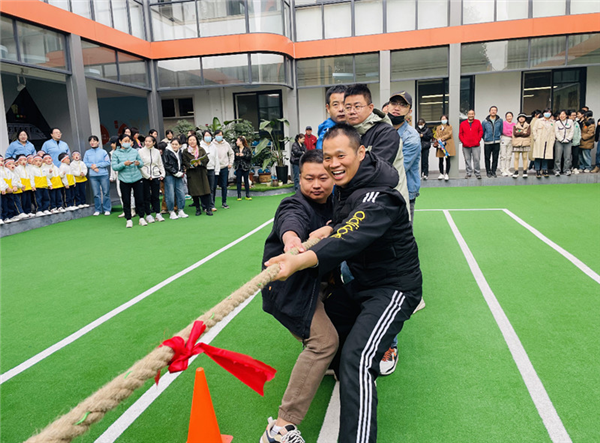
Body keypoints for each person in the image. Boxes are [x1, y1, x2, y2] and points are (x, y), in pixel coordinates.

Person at [265, 124, 422, 443]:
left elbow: (350, 235)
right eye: (328, 158)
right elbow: (309, 219)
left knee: (358, 360)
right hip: (360, 285)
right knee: (326, 331)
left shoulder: (380, 196)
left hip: (393, 289)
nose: (333, 165)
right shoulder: (344, 188)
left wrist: (298, 260)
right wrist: (321, 230)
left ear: (361, 153)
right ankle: (339, 370)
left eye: (341, 156)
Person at [260, 150, 336, 443]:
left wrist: (331, 228)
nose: (316, 184)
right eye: (309, 178)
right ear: (298, 178)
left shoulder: (336, 202)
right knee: (323, 342)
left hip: (321, 284)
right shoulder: (294, 204)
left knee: (354, 313)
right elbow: (290, 224)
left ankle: (334, 364)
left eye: (323, 178)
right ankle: (280, 428)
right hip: (289, 289)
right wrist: (292, 241)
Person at [343, 83, 410, 213]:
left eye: (357, 106)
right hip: (357, 205)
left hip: (387, 206)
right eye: (348, 107)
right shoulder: (345, 133)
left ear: (370, 108)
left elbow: (374, 171)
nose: (352, 111)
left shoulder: (385, 133)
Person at [387, 91, 421, 222]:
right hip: (382, 189)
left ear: (409, 111)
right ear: (388, 106)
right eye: (394, 103)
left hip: (404, 191)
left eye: (402, 105)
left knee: (404, 229)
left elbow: (399, 167)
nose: (397, 108)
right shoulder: (379, 130)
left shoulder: (412, 136)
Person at [111, 133, 146, 227]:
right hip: (124, 179)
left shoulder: (134, 151)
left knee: (140, 199)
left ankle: (141, 217)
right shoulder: (116, 153)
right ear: (120, 141)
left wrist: (138, 163)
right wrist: (123, 164)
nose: (127, 143)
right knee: (126, 200)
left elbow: (141, 163)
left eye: (128, 141)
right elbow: (114, 167)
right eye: (125, 141)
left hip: (137, 177)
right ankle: (128, 219)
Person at [182, 133, 213, 216]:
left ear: (196, 141)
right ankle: (197, 209)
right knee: (195, 193)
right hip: (192, 173)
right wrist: (191, 165)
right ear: (187, 141)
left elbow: (206, 159)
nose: (192, 141)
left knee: (206, 191)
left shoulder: (201, 149)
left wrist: (200, 162)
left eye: (194, 140)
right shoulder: (185, 151)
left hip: (201, 172)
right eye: (190, 140)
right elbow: (184, 161)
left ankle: (208, 208)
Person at [139, 135, 166, 223]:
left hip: (155, 176)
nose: (147, 143)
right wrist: (147, 176)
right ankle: (148, 214)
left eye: (149, 141)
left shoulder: (157, 152)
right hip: (145, 177)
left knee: (156, 196)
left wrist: (162, 174)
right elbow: (140, 166)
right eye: (146, 141)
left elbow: (160, 164)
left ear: (154, 143)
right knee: (146, 196)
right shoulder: (140, 151)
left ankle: (158, 213)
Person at [83, 135, 112, 216]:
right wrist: (92, 167)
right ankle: (97, 209)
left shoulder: (103, 152)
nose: (92, 142)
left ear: (98, 142)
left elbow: (107, 162)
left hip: (103, 174)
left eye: (94, 140)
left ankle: (107, 209)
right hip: (93, 175)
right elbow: (85, 162)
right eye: (90, 141)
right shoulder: (87, 153)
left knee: (106, 192)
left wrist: (97, 165)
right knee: (96, 193)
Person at [162, 138, 188, 220]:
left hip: (179, 175)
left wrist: (182, 171)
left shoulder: (180, 152)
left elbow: (181, 163)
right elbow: (166, 164)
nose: (174, 146)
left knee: (181, 192)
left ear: (179, 145)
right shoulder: (166, 151)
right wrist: (175, 172)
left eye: (176, 144)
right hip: (169, 175)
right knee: (170, 193)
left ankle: (181, 210)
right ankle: (171, 211)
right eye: (173, 144)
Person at [317, 85, 348, 150]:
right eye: (335, 104)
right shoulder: (327, 134)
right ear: (328, 108)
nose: (341, 109)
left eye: (344, 103)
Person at [459, 109, 483, 179]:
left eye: (472, 114)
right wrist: (464, 141)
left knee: (477, 159)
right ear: (467, 115)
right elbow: (460, 134)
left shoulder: (478, 122)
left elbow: (481, 131)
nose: (471, 115)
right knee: (467, 159)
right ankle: (468, 173)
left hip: (476, 145)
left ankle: (477, 173)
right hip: (466, 146)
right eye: (469, 114)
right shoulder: (463, 123)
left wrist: (478, 140)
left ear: (474, 115)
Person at [213, 130, 234, 209]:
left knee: (224, 185)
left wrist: (230, 163)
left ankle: (224, 202)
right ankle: (212, 203)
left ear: (222, 136)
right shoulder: (212, 144)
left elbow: (231, 153)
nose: (219, 136)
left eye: (220, 135)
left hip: (224, 167)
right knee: (213, 186)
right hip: (215, 168)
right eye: (217, 135)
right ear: (215, 136)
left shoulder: (226, 144)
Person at [532, 108, 555, 178]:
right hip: (539, 140)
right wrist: (536, 138)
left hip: (548, 141)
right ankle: (537, 170)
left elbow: (554, 131)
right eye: (546, 112)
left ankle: (544, 169)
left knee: (546, 155)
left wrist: (552, 140)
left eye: (549, 112)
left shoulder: (553, 122)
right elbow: (534, 129)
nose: (548, 113)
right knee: (538, 155)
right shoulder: (539, 121)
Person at [200, 129, 219, 212]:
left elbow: (216, 158)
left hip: (211, 169)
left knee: (212, 188)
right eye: (206, 136)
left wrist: (217, 170)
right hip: (203, 169)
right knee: (204, 188)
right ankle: (204, 206)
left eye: (209, 135)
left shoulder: (214, 146)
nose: (207, 137)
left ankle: (211, 205)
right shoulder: (200, 145)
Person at [482, 106, 503, 178]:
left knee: (495, 157)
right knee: (487, 158)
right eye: (492, 110)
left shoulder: (500, 121)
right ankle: (488, 171)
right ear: (489, 112)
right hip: (488, 142)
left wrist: (498, 136)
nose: (493, 111)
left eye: (495, 110)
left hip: (496, 141)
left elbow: (501, 130)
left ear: (496, 112)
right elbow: (483, 132)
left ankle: (493, 171)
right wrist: (485, 138)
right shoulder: (485, 121)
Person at [433, 114, 455, 181]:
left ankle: (447, 174)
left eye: (445, 119)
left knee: (447, 159)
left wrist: (441, 138)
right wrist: (438, 139)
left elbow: (449, 134)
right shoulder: (438, 127)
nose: (443, 120)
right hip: (440, 145)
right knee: (440, 160)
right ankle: (441, 173)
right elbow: (436, 135)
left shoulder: (449, 126)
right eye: (442, 119)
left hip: (447, 144)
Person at [553, 110, 574, 176]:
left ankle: (566, 170)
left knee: (567, 157)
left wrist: (568, 139)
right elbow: (556, 132)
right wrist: (561, 139)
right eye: (560, 114)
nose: (562, 116)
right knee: (558, 157)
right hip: (559, 142)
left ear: (566, 115)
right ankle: (557, 170)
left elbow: (572, 131)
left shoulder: (570, 121)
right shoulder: (557, 123)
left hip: (568, 142)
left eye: (563, 114)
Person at [511, 113, 531, 178]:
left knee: (525, 157)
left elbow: (528, 133)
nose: (521, 118)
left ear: (525, 118)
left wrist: (520, 132)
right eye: (520, 117)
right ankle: (516, 171)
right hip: (517, 143)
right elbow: (515, 134)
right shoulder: (515, 126)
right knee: (516, 157)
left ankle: (525, 171)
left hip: (525, 143)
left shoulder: (528, 126)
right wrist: (523, 132)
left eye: (523, 117)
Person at [233, 136, 253, 201]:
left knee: (246, 181)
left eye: (237, 141)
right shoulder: (235, 149)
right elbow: (233, 157)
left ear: (241, 142)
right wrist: (236, 155)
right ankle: (239, 195)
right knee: (238, 181)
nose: (236, 142)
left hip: (245, 167)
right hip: (238, 167)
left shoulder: (247, 149)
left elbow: (249, 157)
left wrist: (243, 155)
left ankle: (247, 195)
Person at [500, 112, 515, 176]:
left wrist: (511, 132)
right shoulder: (503, 123)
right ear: (505, 117)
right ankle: (502, 170)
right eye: (508, 116)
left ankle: (507, 169)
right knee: (503, 155)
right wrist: (511, 132)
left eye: (510, 116)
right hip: (504, 138)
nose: (509, 118)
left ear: (512, 117)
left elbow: (517, 131)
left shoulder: (514, 124)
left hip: (512, 139)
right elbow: (504, 131)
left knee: (509, 155)